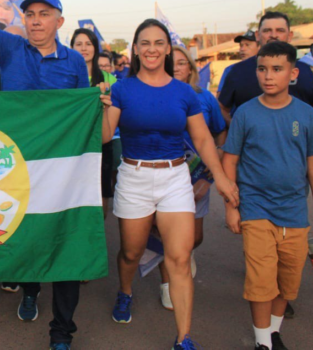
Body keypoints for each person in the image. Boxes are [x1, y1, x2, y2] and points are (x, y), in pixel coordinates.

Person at [0, 0, 89, 350]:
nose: (35, 20)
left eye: (44, 14)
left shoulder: (74, 63)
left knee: (66, 239)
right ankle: (31, 289)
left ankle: (62, 330)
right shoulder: (9, 49)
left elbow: (82, 114)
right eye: (30, 14)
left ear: (59, 21)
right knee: (29, 234)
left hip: (63, 169)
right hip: (15, 166)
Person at [99, 18, 238, 350]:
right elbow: (105, 135)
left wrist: (221, 178)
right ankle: (126, 291)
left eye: (158, 42)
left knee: (179, 258)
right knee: (131, 252)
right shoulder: (121, 88)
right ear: (135, 49)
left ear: (168, 48)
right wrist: (100, 107)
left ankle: (184, 339)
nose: (151, 49)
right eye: (144, 43)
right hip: (133, 176)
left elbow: (203, 138)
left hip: (175, 178)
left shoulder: (183, 92)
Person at [222, 41, 313, 350]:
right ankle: (263, 343)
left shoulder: (307, 114)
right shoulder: (246, 114)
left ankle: (273, 332)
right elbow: (230, 161)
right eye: (262, 69)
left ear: (293, 74)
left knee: (288, 283)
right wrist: (232, 207)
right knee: (261, 281)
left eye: (277, 69)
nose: (268, 76)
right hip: (256, 209)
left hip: (295, 213)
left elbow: (311, 164)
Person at [157, 46, 226, 310]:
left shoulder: (205, 98)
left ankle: (187, 252)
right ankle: (167, 285)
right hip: (165, 174)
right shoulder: (155, 95)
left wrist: (215, 162)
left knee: (194, 237)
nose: (176, 67)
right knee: (166, 234)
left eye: (182, 63)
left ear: (191, 68)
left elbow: (219, 131)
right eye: (171, 62)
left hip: (198, 176)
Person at [218, 12, 313, 126]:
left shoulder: (306, 71)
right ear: (257, 35)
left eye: (280, 30)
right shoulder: (238, 71)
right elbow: (221, 108)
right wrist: (239, 128)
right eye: (267, 31)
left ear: (290, 35)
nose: (273, 35)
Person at [70, 28, 117, 218]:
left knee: (100, 193)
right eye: (78, 44)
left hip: (100, 143)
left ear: (95, 48)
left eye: (88, 44)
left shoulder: (110, 80)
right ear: (71, 48)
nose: (83, 48)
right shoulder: (65, 78)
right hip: (72, 143)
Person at [217, 30, 258, 94]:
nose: (242, 49)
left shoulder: (266, 69)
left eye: (247, 45)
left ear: (259, 47)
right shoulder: (231, 70)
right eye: (241, 45)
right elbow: (220, 98)